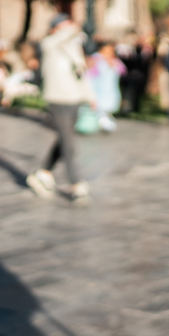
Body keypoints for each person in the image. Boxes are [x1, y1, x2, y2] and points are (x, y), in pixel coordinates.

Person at [26, 15, 95, 202]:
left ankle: (43, 172)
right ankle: (76, 183)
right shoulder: (49, 44)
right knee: (69, 142)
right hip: (56, 97)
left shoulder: (74, 47)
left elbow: (82, 73)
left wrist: (90, 96)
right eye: (64, 27)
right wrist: (75, 26)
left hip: (74, 98)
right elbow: (60, 38)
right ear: (55, 29)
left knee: (64, 138)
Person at [87, 42, 126, 131]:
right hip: (98, 88)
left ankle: (103, 120)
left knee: (107, 105)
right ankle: (102, 122)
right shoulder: (96, 58)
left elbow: (122, 70)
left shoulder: (114, 60)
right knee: (98, 106)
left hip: (110, 88)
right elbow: (89, 74)